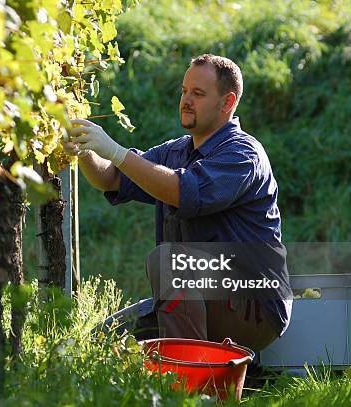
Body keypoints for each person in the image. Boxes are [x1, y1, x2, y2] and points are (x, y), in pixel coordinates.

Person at [64, 54, 292, 352]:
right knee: (100, 342)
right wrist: (85, 149)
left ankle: (192, 385)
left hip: (253, 306)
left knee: (168, 261)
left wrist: (117, 151)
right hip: (200, 298)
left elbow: (182, 191)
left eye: (198, 94)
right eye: (184, 91)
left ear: (227, 102)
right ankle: (196, 372)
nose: (186, 100)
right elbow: (111, 179)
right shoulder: (176, 151)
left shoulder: (243, 154)